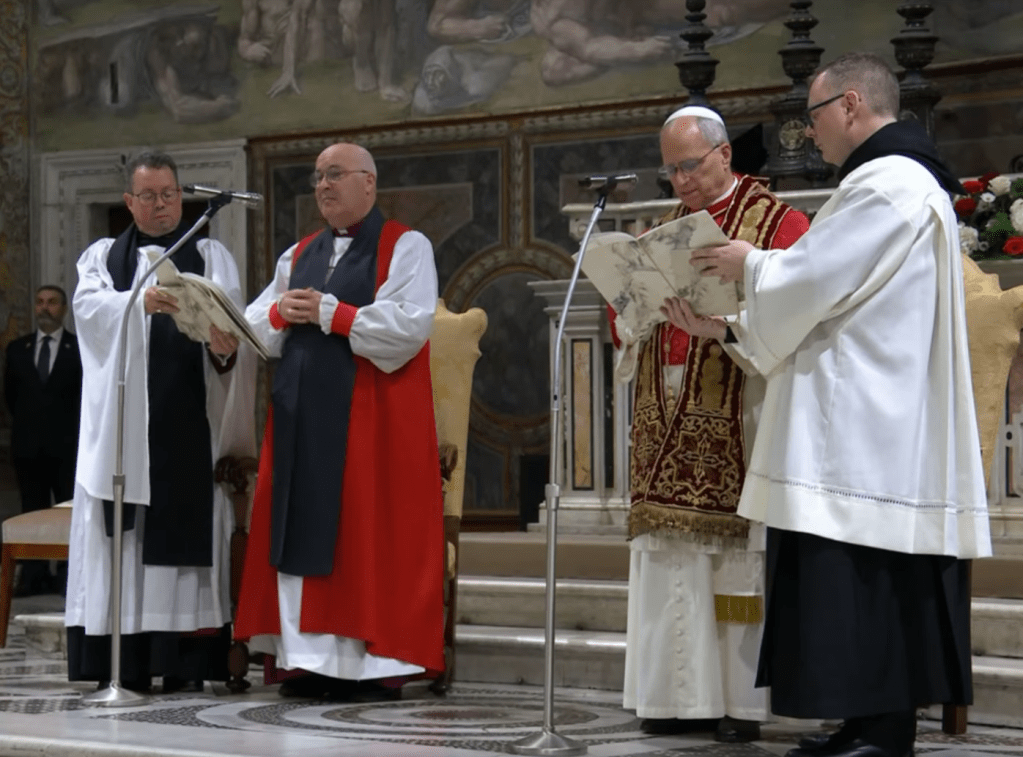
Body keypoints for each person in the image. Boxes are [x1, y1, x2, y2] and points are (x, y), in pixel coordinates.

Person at [668, 53, 991, 757]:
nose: (808, 133)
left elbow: (815, 279)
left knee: (860, 578)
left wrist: (750, 264)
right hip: (870, 408)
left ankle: (880, 731)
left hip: (862, 422)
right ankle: (863, 722)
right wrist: (726, 328)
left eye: (813, 117)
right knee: (859, 582)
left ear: (850, 104)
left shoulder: (888, 183)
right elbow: (835, 293)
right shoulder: (896, 181)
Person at [612, 105, 809, 742]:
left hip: (740, 405)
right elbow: (631, 322)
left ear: (724, 154)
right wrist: (632, 303)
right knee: (667, 556)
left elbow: (801, 310)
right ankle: (673, 697)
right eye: (671, 170)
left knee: (730, 559)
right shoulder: (667, 232)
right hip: (666, 406)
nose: (681, 181)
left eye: (691, 165)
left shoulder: (779, 223)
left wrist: (722, 326)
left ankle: (736, 704)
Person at [234, 142, 445, 699]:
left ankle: (366, 669)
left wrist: (333, 313)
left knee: (359, 537)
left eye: (335, 175)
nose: (323, 186)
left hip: (367, 418)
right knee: (298, 530)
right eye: (317, 177)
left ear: (368, 182)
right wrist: (280, 310)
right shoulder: (298, 253)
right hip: (299, 415)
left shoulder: (405, 246)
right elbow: (256, 327)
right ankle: (306, 663)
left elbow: (408, 327)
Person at [66, 150, 255, 693]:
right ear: (129, 202)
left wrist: (224, 347)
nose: (160, 205)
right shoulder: (103, 258)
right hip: (122, 427)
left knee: (182, 531)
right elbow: (89, 313)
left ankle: (184, 662)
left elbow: (230, 329)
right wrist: (136, 302)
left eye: (169, 194)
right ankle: (122, 662)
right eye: (148, 196)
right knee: (123, 537)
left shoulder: (210, 255)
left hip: (186, 421)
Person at [4, 285, 82, 595]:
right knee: (31, 511)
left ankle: (66, 576)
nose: (44, 308)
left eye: (51, 303)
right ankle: (33, 575)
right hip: (28, 448)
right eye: (39, 302)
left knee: (67, 512)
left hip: (68, 448)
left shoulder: (78, 349)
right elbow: (11, 397)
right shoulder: (17, 349)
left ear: (63, 309)